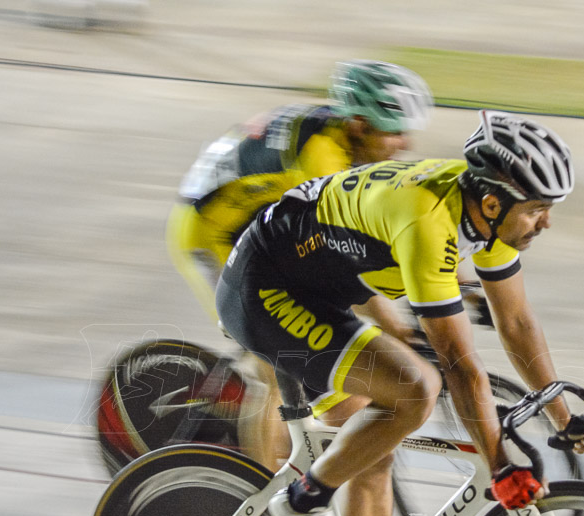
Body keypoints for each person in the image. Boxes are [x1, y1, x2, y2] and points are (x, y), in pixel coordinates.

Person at [216, 109, 584, 516]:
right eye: (536, 209)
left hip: (327, 285)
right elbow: (461, 368)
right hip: (266, 288)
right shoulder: (429, 222)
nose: (545, 222)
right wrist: (501, 465)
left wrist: (563, 417)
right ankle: (302, 500)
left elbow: (517, 322)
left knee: (375, 451)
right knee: (413, 389)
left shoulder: (494, 215)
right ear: (491, 203)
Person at [166, 59, 433, 472]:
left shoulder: (343, 139)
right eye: (396, 132)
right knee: (275, 364)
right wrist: (394, 324)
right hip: (211, 233)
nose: (406, 145)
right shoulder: (322, 157)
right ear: (360, 125)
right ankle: (262, 493)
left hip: (257, 224)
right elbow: (349, 252)